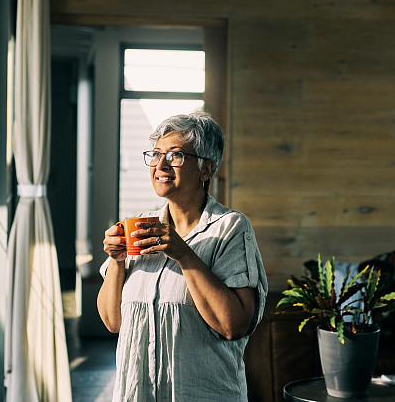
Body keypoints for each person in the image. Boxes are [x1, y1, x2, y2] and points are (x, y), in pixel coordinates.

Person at [97, 112, 268, 402]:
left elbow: (233, 326)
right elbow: (113, 322)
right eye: (156, 154)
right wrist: (117, 260)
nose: (160, 165)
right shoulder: (139, 227)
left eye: (175, 155)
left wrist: (183, 254)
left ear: (205, 169)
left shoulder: (230, 228)